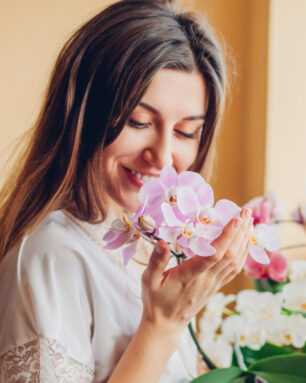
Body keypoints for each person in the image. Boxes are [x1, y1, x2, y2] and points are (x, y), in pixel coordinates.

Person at [0, 0, 252, 381]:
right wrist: (162, 325)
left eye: (186, 132)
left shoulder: (152, 247)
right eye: (138, 121)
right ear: (84, 114)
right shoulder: (51, 257)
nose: (163, 156)